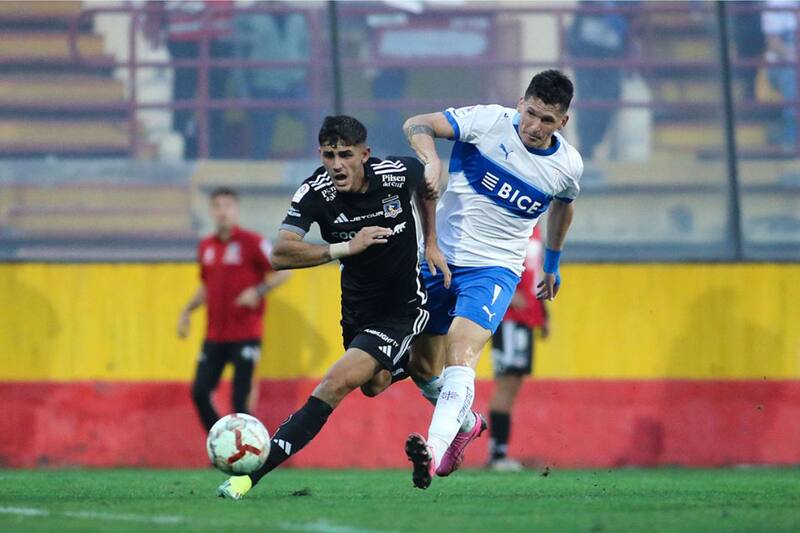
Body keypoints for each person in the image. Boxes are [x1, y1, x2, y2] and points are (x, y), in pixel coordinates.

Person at [216, 115, 448, 499]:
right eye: (328, 155)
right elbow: (280, 253)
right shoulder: (315, 193)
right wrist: (344, 247)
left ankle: (247, 479)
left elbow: (427, 186)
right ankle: (423, 367)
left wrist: (433, 242)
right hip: (357, 309)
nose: (337, 164)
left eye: (345, 154)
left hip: (402, 307)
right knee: (373, 385)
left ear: (364, 154)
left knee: (334, 385)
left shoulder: (395, 174)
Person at [401, 69, 583, 489]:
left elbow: (564, 205)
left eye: (548, 120)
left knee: (461, 353)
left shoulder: (567, 165)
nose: (536, 127)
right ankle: (465, 424)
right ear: (521, 102)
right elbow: (417, 123)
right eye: (532, 114)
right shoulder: (487, 122)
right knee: (420, 365)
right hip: (438, 258)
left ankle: (432, 449)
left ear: (563, 123)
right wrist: (431, 159)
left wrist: (552, 263)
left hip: (495, 269)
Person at [178, 187, 290, 432]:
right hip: (215, 335)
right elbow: (207, 287)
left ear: (236, 210)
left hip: (246, 334)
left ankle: (244, 450)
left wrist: (257, 291)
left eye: (227, 206)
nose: (222, 212)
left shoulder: (252, 242)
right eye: (217, 206)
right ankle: (221, 441)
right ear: (211, 212)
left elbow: (284, 270)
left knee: (240, 400)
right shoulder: (206, 246)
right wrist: (187, 310)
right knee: (199, 391)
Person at [487, 226, 549, 471]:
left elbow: (535, 274)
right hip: (509, 318)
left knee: (514, 383)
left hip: (526, 318)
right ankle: (497, 454)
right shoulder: (511, 219)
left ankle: (499, 453)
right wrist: (509, 294)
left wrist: (543, 313)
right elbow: (489, 260)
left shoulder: (535, 227)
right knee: (507, 382)